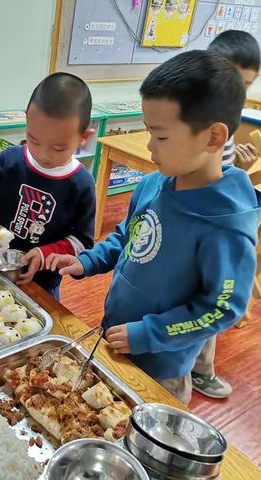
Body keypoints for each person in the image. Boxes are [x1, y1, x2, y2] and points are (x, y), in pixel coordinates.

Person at [47, 50, 260, 405]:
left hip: (163, 368)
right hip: (116, 338)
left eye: (160, 136)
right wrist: (89, 260)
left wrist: (150, 333)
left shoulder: (226, 226)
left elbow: (221, 308)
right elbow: (129, 238)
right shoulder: (153, 184)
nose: (149, 146)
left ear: (213, 137)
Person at [0, 72, 96, 298]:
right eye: (34, 140)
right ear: (27, 119)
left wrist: (45, 254)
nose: (43, 154)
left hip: (43, 284)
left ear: (84, 137)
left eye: (58, 147)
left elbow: (82, 242)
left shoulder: (81, 183)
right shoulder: (11, 160)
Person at [190, 30, 261, 400]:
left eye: (246, 87)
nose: (237, 97)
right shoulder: (194, 124)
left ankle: (202, 371)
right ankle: (196, 368)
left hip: (216, 233)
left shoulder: (227, 131)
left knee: (210, 305)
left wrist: (241, 174)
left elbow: (224, 188)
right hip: (193, 230)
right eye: (231, 84)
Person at [208, 30, 260, 170]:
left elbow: (220, 170)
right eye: (227, 82)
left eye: (244, 85)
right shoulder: (197, 116)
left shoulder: (231, 113)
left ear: (255, 77)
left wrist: (237, 165)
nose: (234, 93)